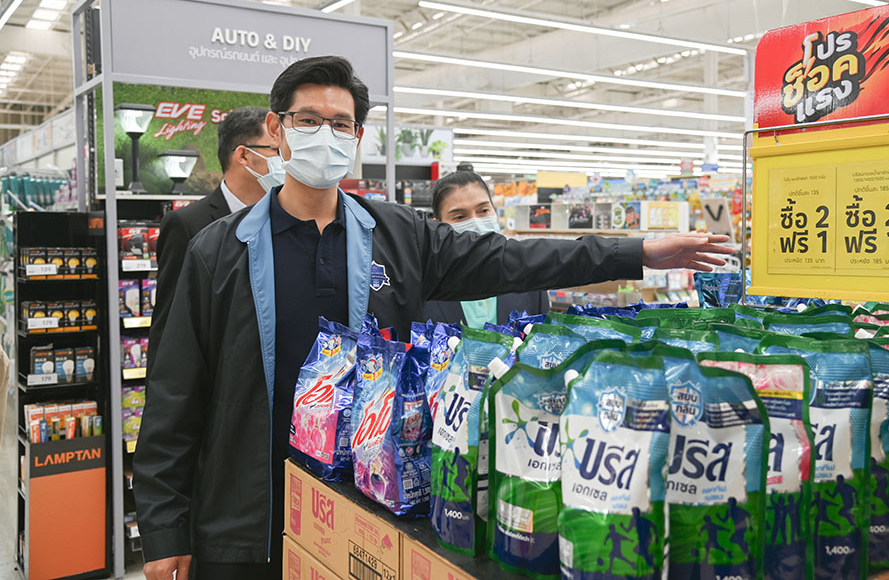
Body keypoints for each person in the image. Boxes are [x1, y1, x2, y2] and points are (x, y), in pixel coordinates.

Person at [134, 55, 732, 580]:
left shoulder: (398, 235)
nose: (325, 134)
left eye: (340, 124)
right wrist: (164, 529)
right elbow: (174, 391)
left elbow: (512, 258)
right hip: (244, 517)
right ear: (276, 128)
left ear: (357, 137)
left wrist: (638, 252)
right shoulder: (220, 248)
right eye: (307, 120)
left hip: (361, 505)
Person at [148, 106, 282, 373]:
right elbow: (170, 326)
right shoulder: (188, 225)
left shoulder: (286, 220)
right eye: (276, 151)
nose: (285, 161)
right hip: (217, 380)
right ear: (244, 155)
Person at [422, 169, 549, 327]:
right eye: (460, 217)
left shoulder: (528, 279)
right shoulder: (422, 288)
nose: (476, 223)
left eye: (483, 211)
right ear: (437, 226)